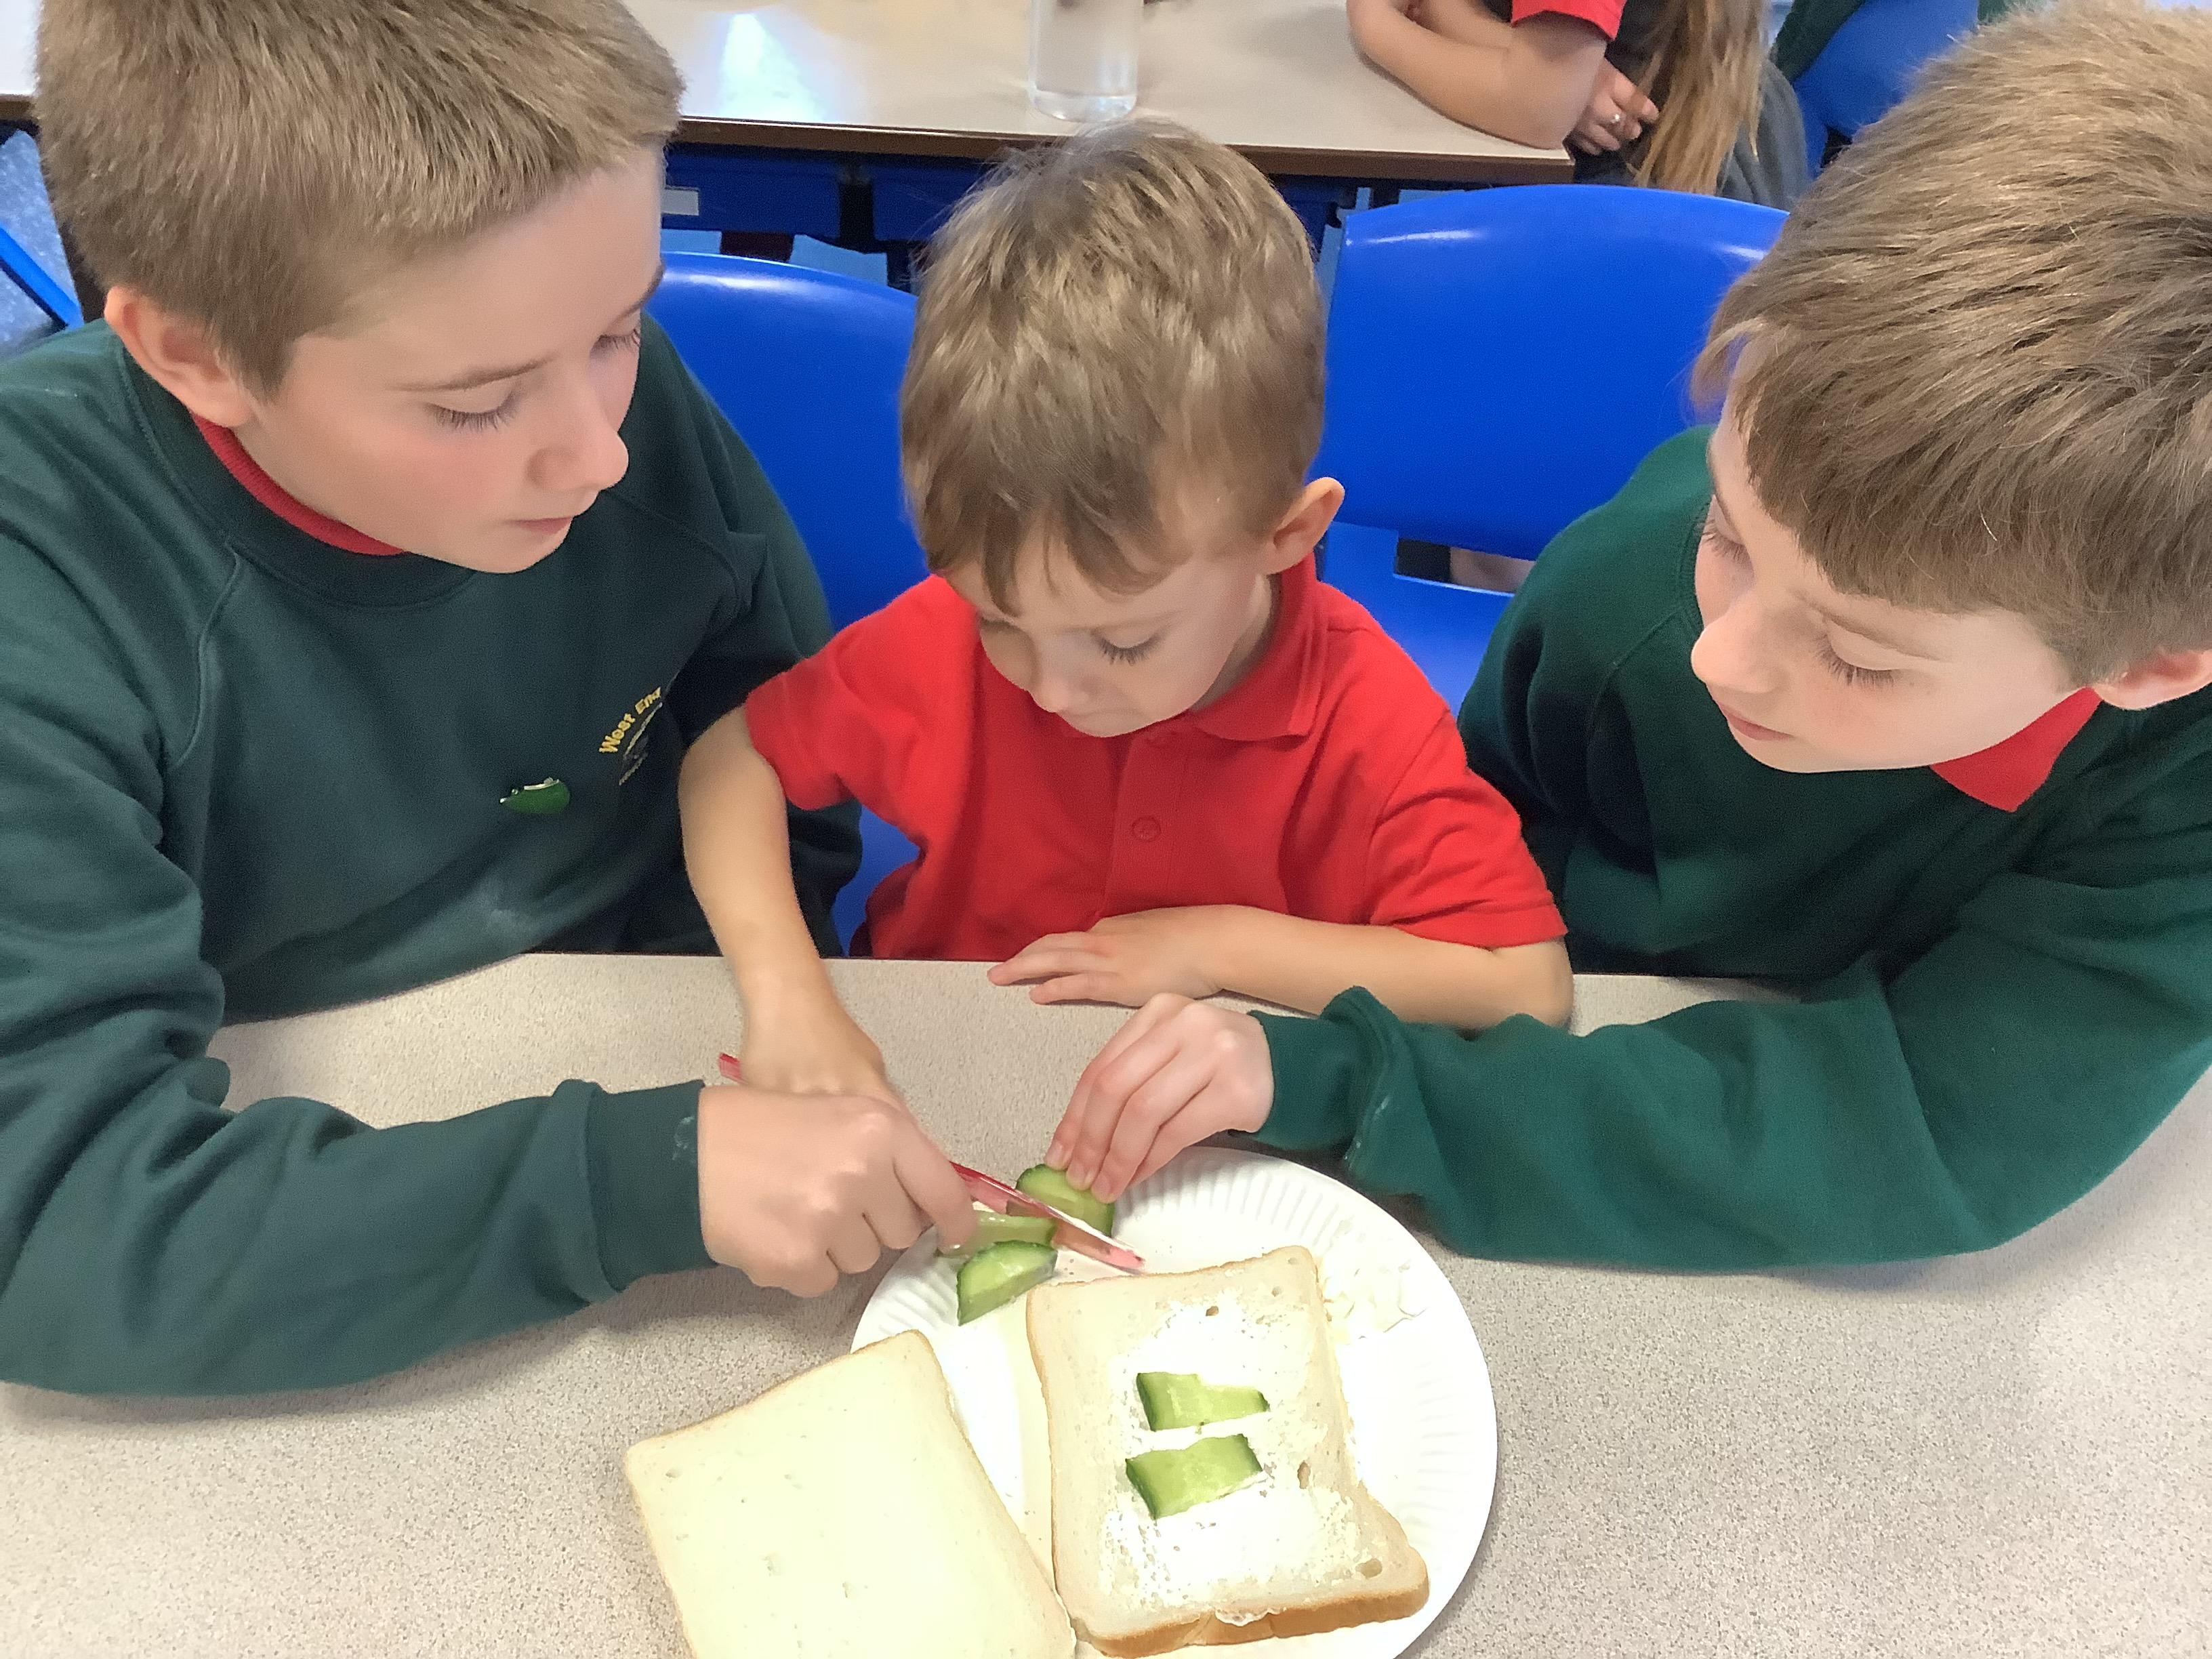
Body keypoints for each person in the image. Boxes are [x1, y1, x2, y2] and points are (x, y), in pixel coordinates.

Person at [1044, 0, 2212, 1265]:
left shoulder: (2173, 785)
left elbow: (1931, 1127)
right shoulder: (1624, 598)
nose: (1719, 657)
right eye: (1729, 529)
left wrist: (1372, 1091)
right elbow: (1488, 910)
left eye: (1858, 655)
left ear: (2151, 664)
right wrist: (1376, 1066)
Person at [0, 0, 976, 1399]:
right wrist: (640, 1176)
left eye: (621, 328)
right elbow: (65, 1224)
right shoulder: (45, 572)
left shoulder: (616, 416)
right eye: (474, 405)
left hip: (638, 1057)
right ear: (196, 354)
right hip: (307, 1158)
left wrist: (731, 1017)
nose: (596, 456)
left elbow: (765, 726)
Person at [679, 123, 1572, 1104]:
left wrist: (1217, 946)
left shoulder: (1361, 715)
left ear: (1286, 537)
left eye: (1125, 641)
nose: (1054, 690)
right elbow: (733, 761)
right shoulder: (937, 637)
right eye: (1000, 620)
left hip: (1210, 1125)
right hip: (938, 1068)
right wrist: (787, 996)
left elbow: (1522, 984)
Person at [1348, 0, 1808, 206]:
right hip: (1666, 144)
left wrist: (1375, 24)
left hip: (1662, 179)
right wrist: (1562, 75)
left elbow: (1533, 110)